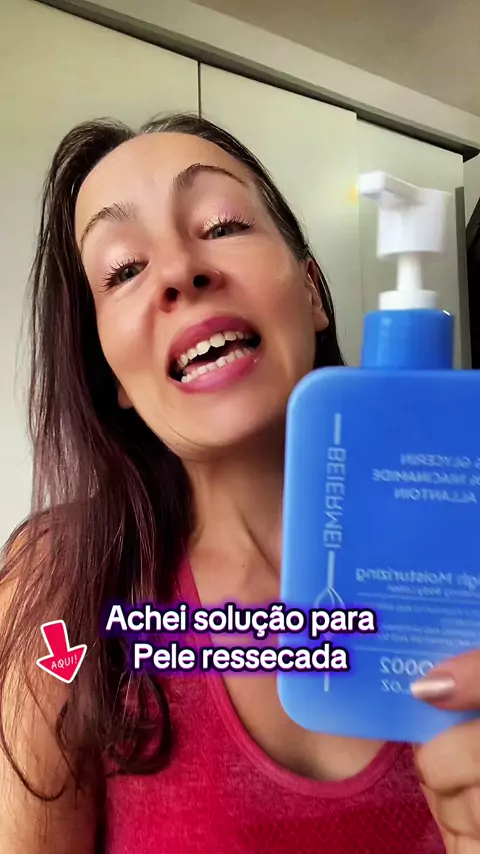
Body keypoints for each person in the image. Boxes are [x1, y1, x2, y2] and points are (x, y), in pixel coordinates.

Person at [0, 113, 479, 854]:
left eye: (222, 225)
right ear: (111, 376)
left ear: (312, 292)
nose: (179, 272)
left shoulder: (460, 546)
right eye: (123, 269)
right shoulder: (61, 582)